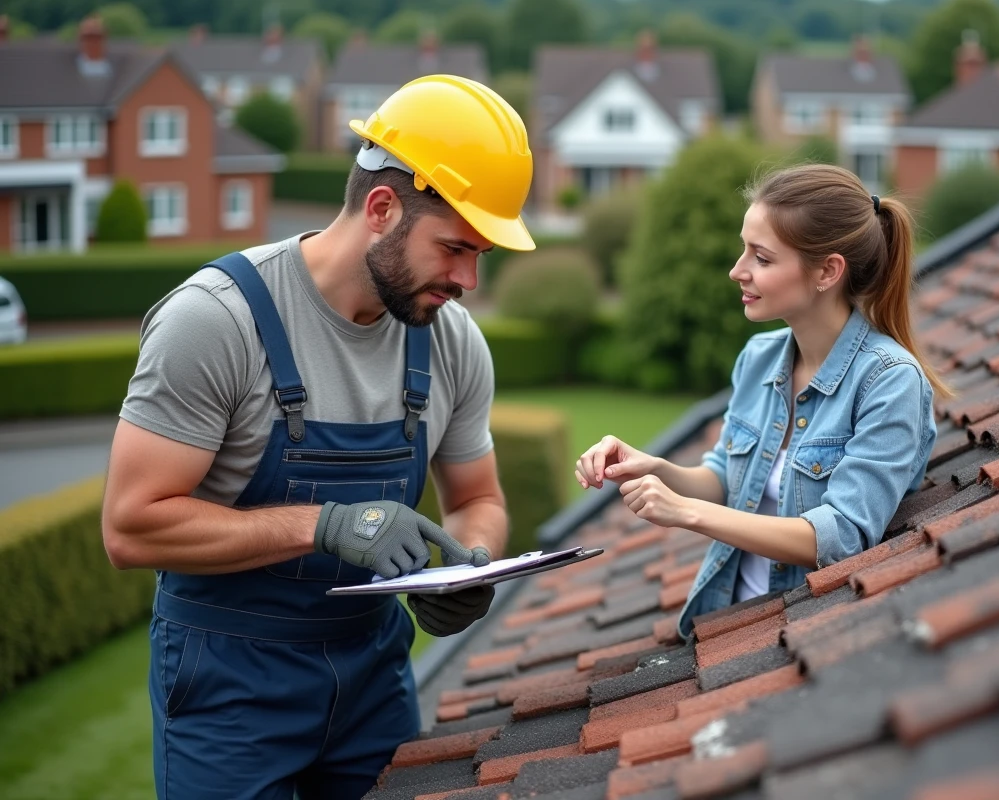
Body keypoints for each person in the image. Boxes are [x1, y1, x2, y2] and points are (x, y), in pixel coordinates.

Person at [100, 75, 534, 799]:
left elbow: (477, 495)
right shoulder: (216, 321)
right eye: (455, 247)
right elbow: (130, 528)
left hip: (374, 677)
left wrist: (474, 563)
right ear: (382, 208)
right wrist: (326, 525)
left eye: (482, 255)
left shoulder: (451, 341)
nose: (468, 279)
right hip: (228, 686)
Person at [575, 164, 949, 636]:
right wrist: (653, 468)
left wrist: (688, 515)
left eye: (762, 258)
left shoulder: (889, 382)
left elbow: (841, 535)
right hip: (726, 616)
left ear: (828, 271)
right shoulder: (759, 358)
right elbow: (725, 479)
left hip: (808, 631)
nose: (737, 271)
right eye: (743, 249)